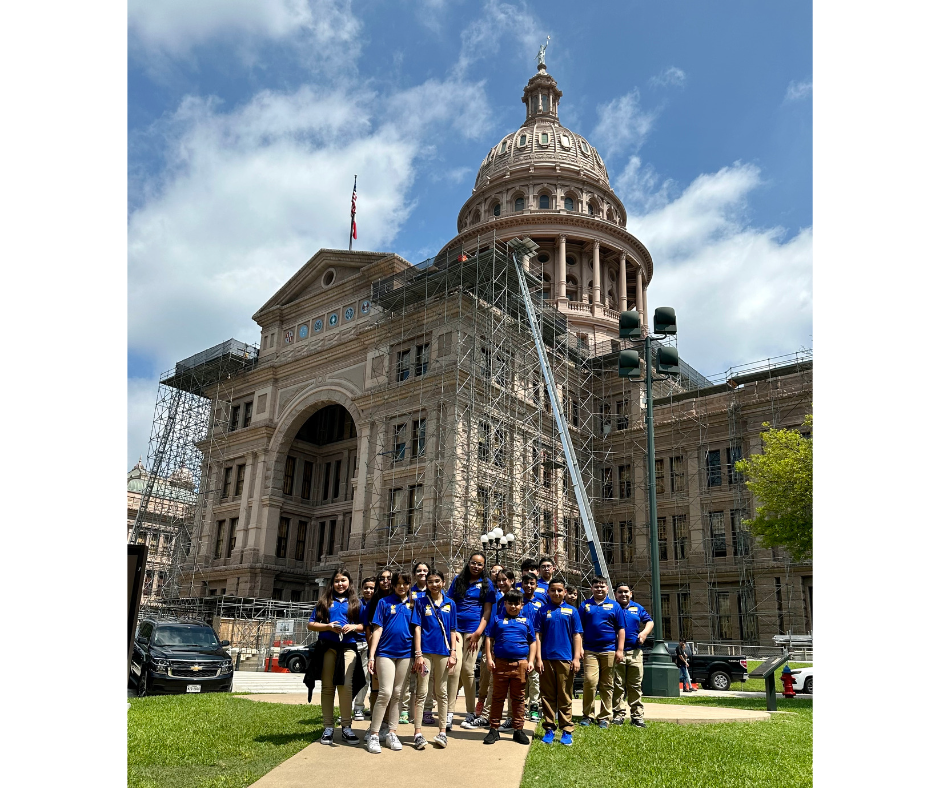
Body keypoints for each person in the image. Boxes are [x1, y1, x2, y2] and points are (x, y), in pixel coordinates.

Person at [304, 569, 367, 746]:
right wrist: (328, 626)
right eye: (337, 581)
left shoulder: (356, 603)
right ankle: (328, 727)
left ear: (349, 582)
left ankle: (346, 726)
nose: (340, 584)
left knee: (346, 686)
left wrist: (353, 627)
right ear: (332, 583)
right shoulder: (324, 602)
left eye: (343, 580)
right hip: (327, 648)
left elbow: (365, 626)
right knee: (327, 686)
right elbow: (311, 624)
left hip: (348, 647)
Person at [365, 571, 415, 754]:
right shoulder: (383, 602)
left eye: (405, 583)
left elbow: (417, 629)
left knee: (397, 693)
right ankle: (374, 734)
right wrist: (372, 655)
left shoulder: (413, 603)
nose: (402, 586)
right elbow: (377, 629)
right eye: (398, 583)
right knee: (385, 692)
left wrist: (417, 655)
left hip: (405, 654)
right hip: (385, 653)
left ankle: (392, 732)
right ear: (393, 585)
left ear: (409, 584)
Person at [447, 553, 495, 732]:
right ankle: (449, 712)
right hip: (457, 630)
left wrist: (478, 633)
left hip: (474, 631)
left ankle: (470, 711)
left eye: (480, 564)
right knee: (454, 669)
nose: (476, 566)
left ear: (484, 567)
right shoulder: (458, 581)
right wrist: (452, 629)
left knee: (468, 670)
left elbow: (487, 611)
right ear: (468, 563)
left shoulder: (487, 584)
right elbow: (450, 604)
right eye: (473, 563)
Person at [411, 569, 457, 749]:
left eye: (437, 581)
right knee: (422, 691)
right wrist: (418, 654)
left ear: (443, 582)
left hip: (444, 652)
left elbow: (453, 629)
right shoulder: (421, 602)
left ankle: (442, 732)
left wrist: (453, 652)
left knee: (442, 691)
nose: (434, 585)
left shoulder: (450, 604)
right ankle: (418, 733)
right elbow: (417, 628)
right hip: (426, 653)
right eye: (430, 582)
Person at [482, 589, 536, 746]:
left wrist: (530, 661)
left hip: (520, 665)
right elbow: (489, 639)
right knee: (497, 697)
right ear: (505, 604)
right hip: (500, 664)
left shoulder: (526, 622)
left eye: (516, 604)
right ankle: (494, 729)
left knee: (518, 698)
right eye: (510, 603)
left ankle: (518, 730)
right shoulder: (497, 619)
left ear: (522, 605)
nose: (513, 606)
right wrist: (489, 658)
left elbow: (532, 642)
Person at [535, 578, 582, 746]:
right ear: (548, 592)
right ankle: (549, 728)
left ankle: (567, 730)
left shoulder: (572, 611)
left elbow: (577, 635)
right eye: (553, 590)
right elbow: (537, 636)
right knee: (547, 695)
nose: (556, 593)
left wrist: (576, 658)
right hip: (546, 659)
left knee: (565, 694)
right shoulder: (542, 611)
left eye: (559, 590)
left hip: (565, 658)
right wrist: (538, 658)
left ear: (565, 592)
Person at [577, 576, 625, 729]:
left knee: (607, 684)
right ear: (591, 589)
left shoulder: (615, 606)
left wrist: (620, 650)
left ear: (607, 589)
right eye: (596, 586)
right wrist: (579, 649)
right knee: (590, 682)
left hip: (609, 650)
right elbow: (579, 630)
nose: (599, 589)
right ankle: (587, 715)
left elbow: (621, 629)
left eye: (602, 586)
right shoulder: (585, 605)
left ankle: (604, 717)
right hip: (590, 650)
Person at [611, 583, 653, 727]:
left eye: (626, 592)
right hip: (617, 653)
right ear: (615, 594)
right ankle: (618, 715)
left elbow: (649, 622)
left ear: (631, 593)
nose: (623, 594)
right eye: (620, 592)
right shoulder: (612, 607)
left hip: (635, 652)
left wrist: (644, 633)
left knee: (635, 685)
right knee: (618, 685)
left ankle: (637, 717)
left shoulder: (637, 608)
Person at [401, 561, 431, 724]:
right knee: (408, 677)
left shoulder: (433, 591)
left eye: (425, 570)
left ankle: (427, 710)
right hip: (410, 638)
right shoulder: (409, 592)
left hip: (428, 639)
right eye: (419, 570)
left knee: (426, 677)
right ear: (414, 574)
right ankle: (405, 710)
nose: (422, 573)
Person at [365, 569, 393, 736]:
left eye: (388, 578)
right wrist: (371, 646)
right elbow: (369, 626)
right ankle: (376, 723)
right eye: (381, 578)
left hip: (395, 649)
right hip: (379, 649)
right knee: (378, 689)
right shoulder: (374, 600)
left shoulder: (400, 599)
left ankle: (388, 723)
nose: (385, 581)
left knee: (392, 690)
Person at [520, 572, 546, 720]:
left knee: (535, 678)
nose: (529, 586)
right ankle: (521, 707)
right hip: (520, 643)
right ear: (522, 585)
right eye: (526, 583)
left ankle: (534, 707)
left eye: (532, 583)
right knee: (521, 678)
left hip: (535, 643)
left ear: (536, 585)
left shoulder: (541, 602)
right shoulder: (518, 601)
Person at [353, 577, 376, 720]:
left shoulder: (378, 603)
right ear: (361, 589)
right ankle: (346, 708)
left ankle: (359, 707)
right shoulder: (355, 604)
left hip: (369, 644)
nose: (368, 590)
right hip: (353, 643)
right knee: (348, 677)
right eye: (366, 587)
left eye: (371, 588)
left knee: (365, 676)